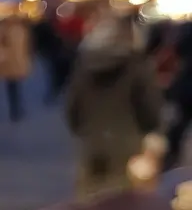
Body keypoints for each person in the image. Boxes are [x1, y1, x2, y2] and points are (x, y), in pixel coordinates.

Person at [65, 14, 161, 197]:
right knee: (122, 207)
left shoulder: (85, 63)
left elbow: (72, 106)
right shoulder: (137, 65)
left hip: (91, 142)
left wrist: (83, 130)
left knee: (88, 205)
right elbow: (149, 109)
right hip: (127, 145)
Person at [0, 15, 33, 121]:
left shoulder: (5, 32)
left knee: (12, 88)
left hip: (10, 64)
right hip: (18, 63)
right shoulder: (22, 31)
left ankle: (15, 111)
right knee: (16, 87)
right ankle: (18, 110)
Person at [164, 22, 192, 168]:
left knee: (180, 122)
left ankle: (170, 153)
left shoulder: (186, 29)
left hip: (187, 81)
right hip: (186, 83)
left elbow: (177, 49)